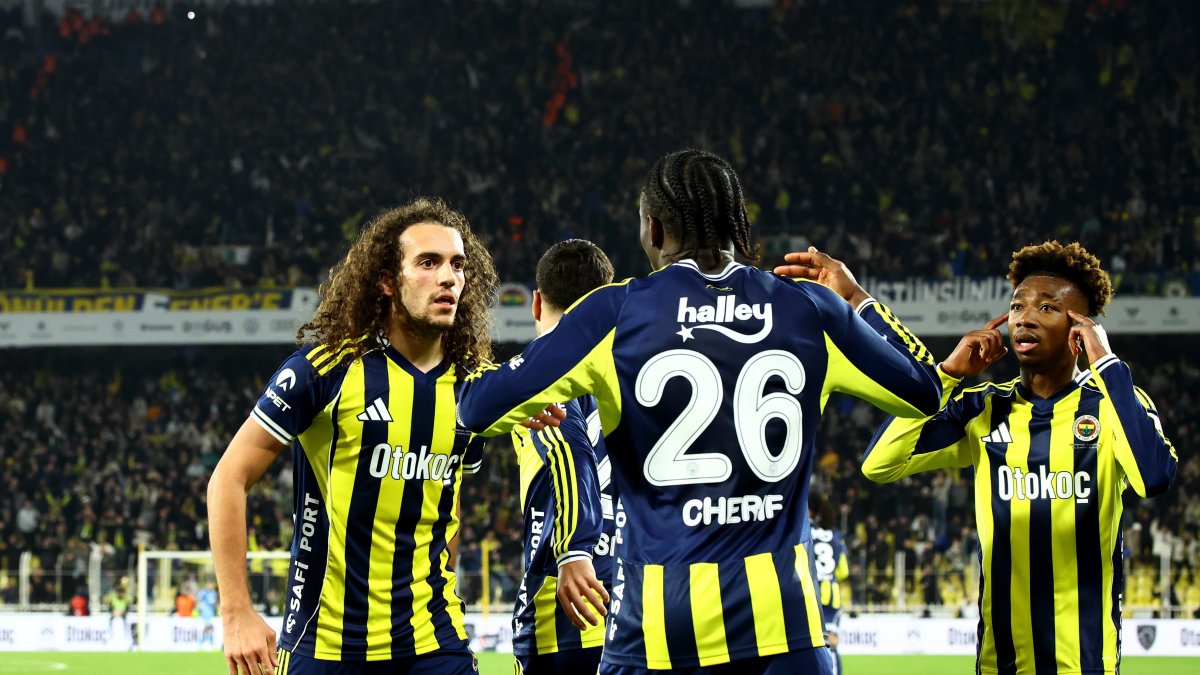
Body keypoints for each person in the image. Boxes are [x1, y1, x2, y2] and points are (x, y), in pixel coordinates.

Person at [459, 148, 943, 674]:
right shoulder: (811, 308)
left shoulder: (615, 311)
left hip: (658, 635)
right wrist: (859, 300)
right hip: (788, 635)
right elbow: (924, 390)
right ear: (739, 225)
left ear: (656, 229)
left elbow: (478, 408)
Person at [207, 197, 498, 675]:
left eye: (458, 264)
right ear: (387, 281)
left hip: (435, 643)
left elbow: (450, 509)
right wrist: (236, 611)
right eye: (428, 262)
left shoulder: (475, 387)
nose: (449, 277)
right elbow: (228, 480)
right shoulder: (325, 370)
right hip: (325, 646)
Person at [863, 241, 1178, 674]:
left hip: (1086, 664)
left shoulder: (1112, 405)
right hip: (1000, 663)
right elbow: (880, 464)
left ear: (1079, 328)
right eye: (1016, 306)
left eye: (1047, 308)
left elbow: (1154, 476)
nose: (1025, 317)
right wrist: (947, 376)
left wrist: (1106, 363)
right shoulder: (981, 410)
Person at [512, 240, 617, 675]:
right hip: (641, 607)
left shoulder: (535, 374)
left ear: (536, 303)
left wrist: (575, 549)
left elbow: (565, 449)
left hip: (566, 614)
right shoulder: (638, 373)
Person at [808, 496, 848, 675]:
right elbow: (843, 572)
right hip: (831, 596)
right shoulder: (836, 535)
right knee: (831, 643)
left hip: (808, 594)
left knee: (805, 645)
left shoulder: (804, 531)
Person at [198, 581, 219, 650]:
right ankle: (201, 642)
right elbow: (199, 598)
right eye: (209, 585)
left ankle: (211, 643)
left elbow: (213, 602)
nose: (210, 586)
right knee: (205, 628)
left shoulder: (213, 593)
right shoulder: (204, 592)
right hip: (204, 613)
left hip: (211, 613)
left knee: (211, 628)